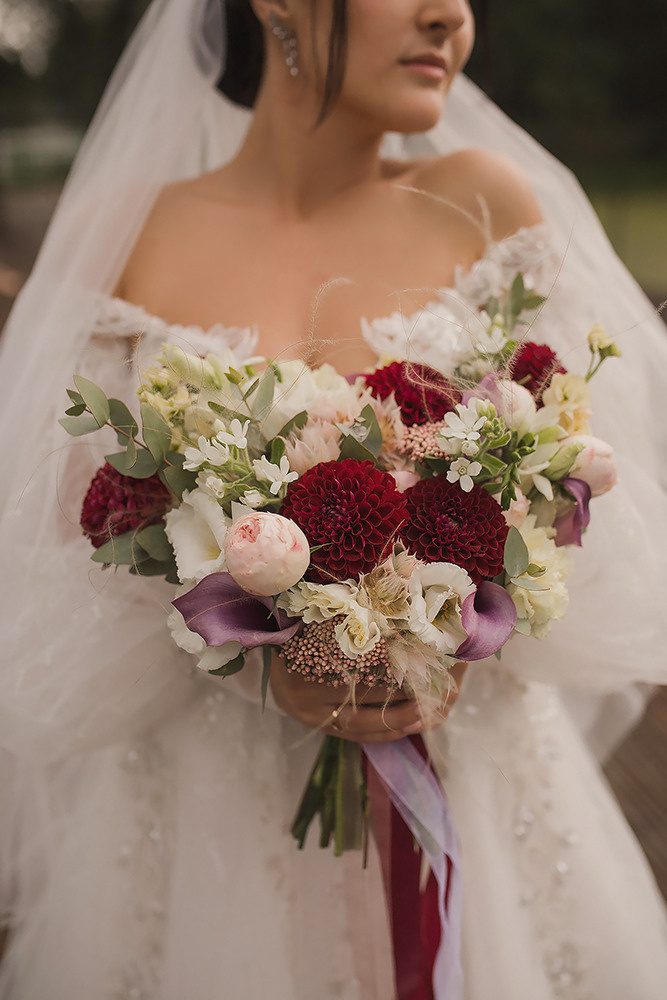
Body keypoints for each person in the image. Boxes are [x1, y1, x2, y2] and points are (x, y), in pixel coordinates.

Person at [0, 1, 666, 997]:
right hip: (207, 820)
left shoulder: (486, 203)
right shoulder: (124, 231)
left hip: (466, 796)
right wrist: (254, 657)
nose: (450, 15)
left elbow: (586, 515)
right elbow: (72, 551)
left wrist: (447, 628)